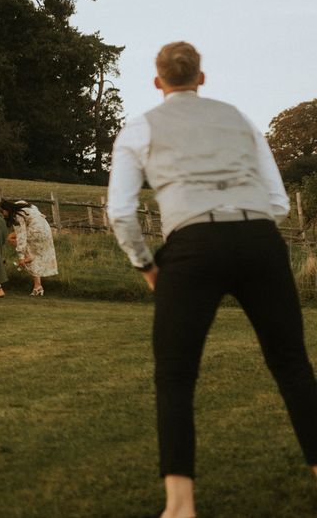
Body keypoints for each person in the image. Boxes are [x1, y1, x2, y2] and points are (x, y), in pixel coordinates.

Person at [107, 41, 317, 518]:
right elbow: (278, 200)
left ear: (157, 82)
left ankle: (180, 507)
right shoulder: (238, 119)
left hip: (192, 246)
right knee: (291, 365)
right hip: (259, 239)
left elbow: (120, 212)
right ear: (202, 78)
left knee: (176, 375)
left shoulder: (139, 128)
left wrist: (146, 266)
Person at [0, 199, 58, 296]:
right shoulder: (22, 205)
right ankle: (38, 286)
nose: (3, 215)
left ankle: (27, 257)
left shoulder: (17, 215)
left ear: (7, 209)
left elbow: (21, 236)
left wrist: (21, 256)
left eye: (2, 212)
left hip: (36, 231)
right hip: (45, 228)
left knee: (12, 239)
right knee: (32, 256)